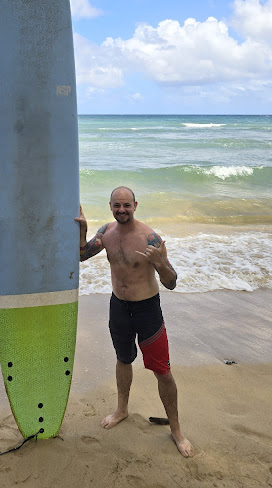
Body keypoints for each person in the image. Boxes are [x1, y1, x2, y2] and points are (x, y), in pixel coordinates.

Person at [75, 187, 193, 457]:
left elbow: (171, 282)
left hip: (147, 310)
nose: (122, 210)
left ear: (135, 205)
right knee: (123, 359)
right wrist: (82, 231)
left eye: (126, 205)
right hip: (119, 307)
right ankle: (122, 410)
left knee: (162, 370)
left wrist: (160, 263)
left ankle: (176, 430)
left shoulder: (150, 238)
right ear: (110, 206)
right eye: (117, 205)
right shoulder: (106, 233)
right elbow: (81, 255)